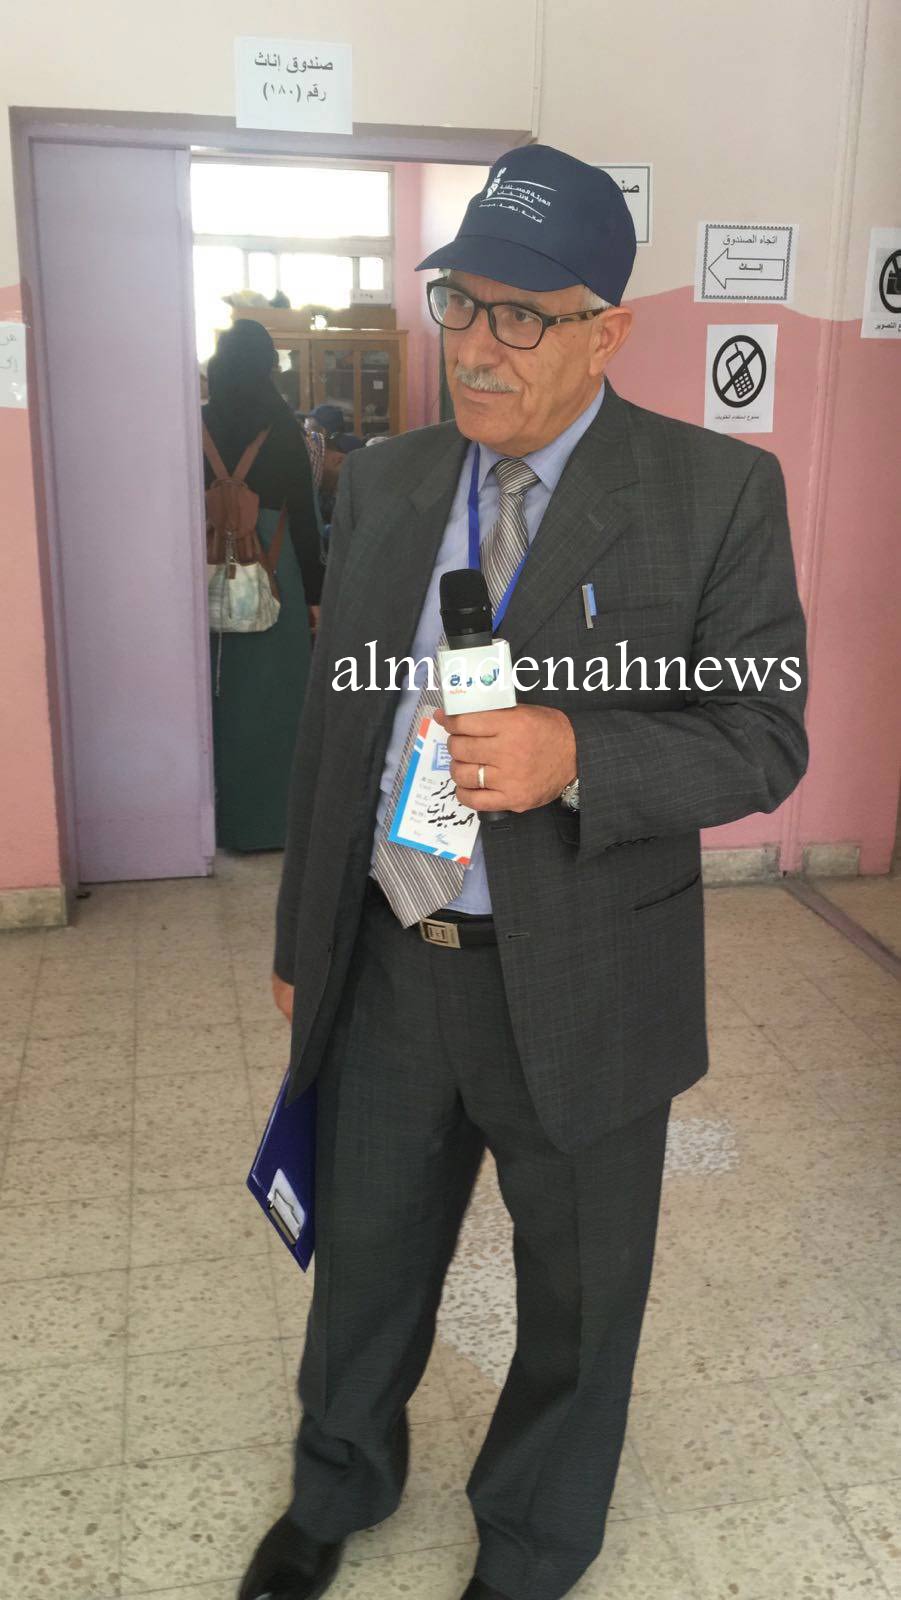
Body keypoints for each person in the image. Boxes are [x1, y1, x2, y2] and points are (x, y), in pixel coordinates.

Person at [238, 146, 808, 1600]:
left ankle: (536, 1541)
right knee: (366, 1260)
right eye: (459, 304)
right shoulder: (388, 480)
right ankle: (337, 1482)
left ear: (607, 331)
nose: (476, 348)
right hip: (392, 955)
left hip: (587, 975)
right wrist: (305, 936)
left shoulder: (713, 492)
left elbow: (763, 736)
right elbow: (337, 730)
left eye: (521, 317)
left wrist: (577, 752)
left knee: (578, 1290)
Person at [202, 320, 321, 852]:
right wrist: (315, 595)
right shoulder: (282, 426)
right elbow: (305, 519)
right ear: (268, 365)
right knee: (278, 701)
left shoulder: (195, 422)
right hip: (275, 569)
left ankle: (218, 825)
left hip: (205, 568)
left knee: (218, 699)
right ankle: (275, 825)